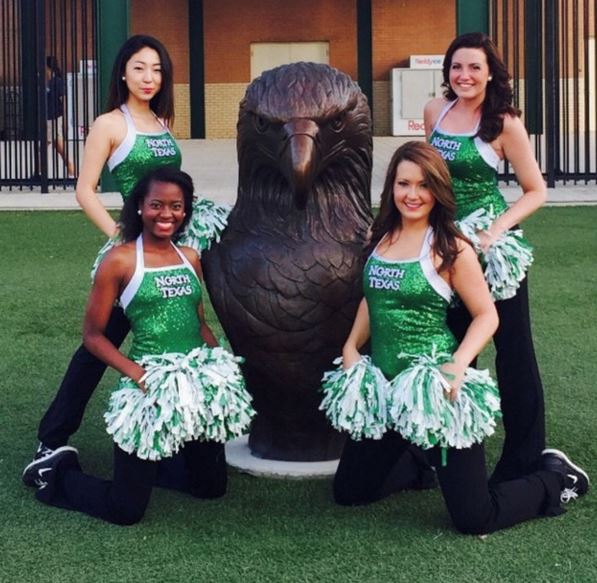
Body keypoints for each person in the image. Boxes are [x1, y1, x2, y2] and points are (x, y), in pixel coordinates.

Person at [330, 142, 588, 534]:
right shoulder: (379, 236)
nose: (412, 195)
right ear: (391, 187)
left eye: (423, 185)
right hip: (384, 391)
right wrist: (350, 345)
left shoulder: (450, 247)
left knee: (474, 517)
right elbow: (373, 298)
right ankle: (421, 462)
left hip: (437, 394)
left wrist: (457, 363)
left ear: (438, 191)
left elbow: (487, 316)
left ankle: (555, 478)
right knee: (350, 491)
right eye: (403, 184)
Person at [23, 35, 227, 480]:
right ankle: (52, 437)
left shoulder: (162, 120)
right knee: (100, 344)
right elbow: (85, 189)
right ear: (122, 72)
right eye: (139, 67)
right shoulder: (109, 124)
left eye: (156, 69)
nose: (149, 77)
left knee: (179, 336)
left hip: (171, 246)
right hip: (137, 255)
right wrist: (120, 235)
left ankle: (182, 432)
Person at [24, 167, 252, 525]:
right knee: (125, 510)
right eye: (156, 205)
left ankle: (153, 466)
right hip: (148, 390)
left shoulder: (191, 257)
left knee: (210, 488)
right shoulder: (120, 260)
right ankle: (55, 472)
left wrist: (218, 362)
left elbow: (199, 322)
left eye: (176, 206)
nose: (166, 214)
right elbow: (93, 336)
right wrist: (137, 373)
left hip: (196, 384)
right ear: (140, 208)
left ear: (186, 210)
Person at [424, 32, 548, 483]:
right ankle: (453, 450)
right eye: (457, 67)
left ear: (490, 71)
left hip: (493, 253)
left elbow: (536, 191)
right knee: (455, 346)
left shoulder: (504, 122)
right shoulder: (435, 112)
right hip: (444, 247)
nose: (465, 75)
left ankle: (524, 458)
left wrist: (495, 231)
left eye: (474, 67)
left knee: (513, 351)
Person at [46, 56, 75, 178]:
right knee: (57, 144)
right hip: (51, 116)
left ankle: (40, 173)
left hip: (53, 116)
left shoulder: (56, 81)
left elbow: (62, 99)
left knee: (45, 143)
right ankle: (70, 168)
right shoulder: (48, 81)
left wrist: (64, 118)